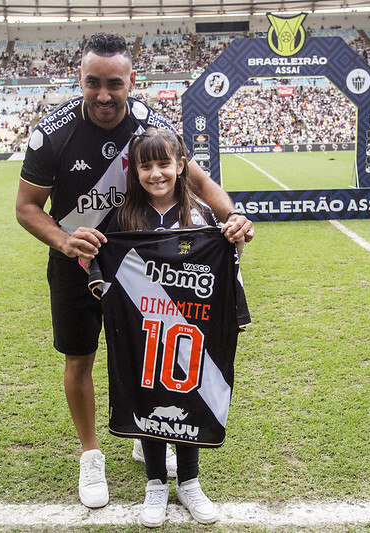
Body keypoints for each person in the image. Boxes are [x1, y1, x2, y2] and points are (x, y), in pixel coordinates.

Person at [15, 32, 254, 509]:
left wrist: (231, 220)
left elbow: (200, 181)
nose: (103, 95)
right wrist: (65, 240)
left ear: (132, 81)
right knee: (79, 358)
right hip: (76, 264)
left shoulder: (150, 124)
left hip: (142, 268)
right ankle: (90, 454)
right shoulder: (52, 133)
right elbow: (26, 207)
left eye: (114, 84)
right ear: (79, 79)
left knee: (148, 355)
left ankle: (147, 427)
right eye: (93, 83)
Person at [95, 128, 243, 526]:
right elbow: (101, 262)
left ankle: (189, 482)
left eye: (165, 164)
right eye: (146, 166)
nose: (156, 174)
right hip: (143, 329)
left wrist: (236, 309)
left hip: (192, 329)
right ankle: (156, 483)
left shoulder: (202, 213)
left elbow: (227, 262)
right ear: (134, 170)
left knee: (189, 395)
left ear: (181, 166)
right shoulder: (123, 214)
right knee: (148, 396)